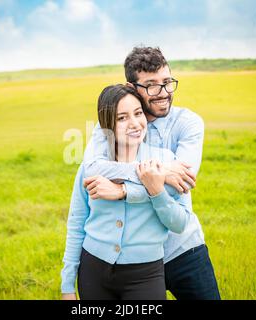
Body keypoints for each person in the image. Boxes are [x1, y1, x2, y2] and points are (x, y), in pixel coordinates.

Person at [82, 46, 220, 300]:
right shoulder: (109, 123)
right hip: (131, 259)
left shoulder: (188, 123)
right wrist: (162, 171)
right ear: (131, 86)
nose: (163, 92)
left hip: (182, 248)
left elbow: (179, 184)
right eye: (152, 85)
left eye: (167, 82)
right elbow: (92, 169)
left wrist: (123, 191)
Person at [61, 84, 193, 300]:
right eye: (122, 118)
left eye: (138, 113)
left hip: (145, 275)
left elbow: (179, 223)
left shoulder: (168, 162)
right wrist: (67, 286)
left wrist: (156, 190)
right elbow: (76, 225)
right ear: (107, 126)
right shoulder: (92, 166)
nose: (134, 124)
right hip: (93, 271)